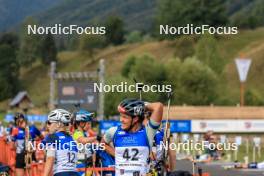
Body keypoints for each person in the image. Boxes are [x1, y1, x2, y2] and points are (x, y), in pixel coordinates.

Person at [102, 98, 163, 176]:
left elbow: (158, 106)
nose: (121, 120)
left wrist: (140, 106)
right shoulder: (113, 131)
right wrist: (117, 154)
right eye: (121, 116)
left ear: (135, 119)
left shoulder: (148, 132)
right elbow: (103, 144)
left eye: (125, 117)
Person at [43, 109, 78, 176]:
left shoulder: (52, 137)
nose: (47, 126)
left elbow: (50, 158)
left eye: (49, 122)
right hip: (74, 173)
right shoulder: (72, 138)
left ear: (58, 124)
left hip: (60, 173)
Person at [72, 109, 98, 176]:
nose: (90, 126)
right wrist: (96, 137)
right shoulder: (77, 133)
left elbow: (91, 150)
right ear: (81, 123)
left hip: (88, 165)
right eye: (88, 123)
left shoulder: (85, 134)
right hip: (80, 166)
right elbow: (82, 140)